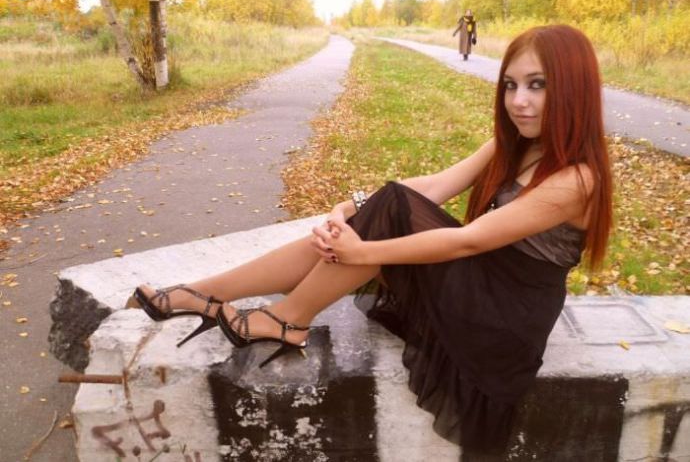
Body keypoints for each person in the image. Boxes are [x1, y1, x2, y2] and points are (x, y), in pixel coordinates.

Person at [128, 24, 612, 457]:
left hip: (504, 320)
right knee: (385, 207)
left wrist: (363, 249)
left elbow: (468, 241)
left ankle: (288, 318)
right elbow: (435, 186)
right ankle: (207, 292)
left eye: (537, 85)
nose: (518, 100)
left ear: (575, 90)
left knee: (386, 215)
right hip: (480, 286)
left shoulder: (578, 180)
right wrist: (349, 208)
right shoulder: (516, 145)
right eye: (510, 84)